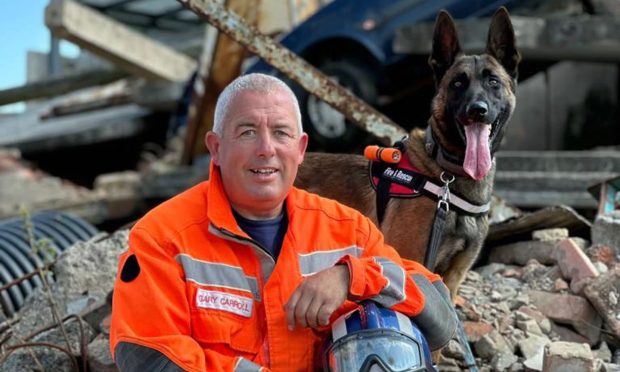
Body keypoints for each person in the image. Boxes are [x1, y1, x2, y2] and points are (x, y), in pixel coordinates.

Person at [110, 73, 456, 372]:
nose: (266, 149)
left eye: (281, 133)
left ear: (301, 148)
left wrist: (354, 276)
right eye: (247, 132)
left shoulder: (349, 231)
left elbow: (440, 320)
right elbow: (147, 355)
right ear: (215, 147)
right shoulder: (164, 237)